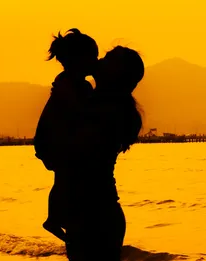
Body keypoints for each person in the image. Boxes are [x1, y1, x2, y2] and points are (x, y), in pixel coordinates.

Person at [59, 46, 145, 261]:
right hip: (91, 210)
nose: (99, 59)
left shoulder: (106, 111)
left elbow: (69, 152)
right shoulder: (93, 102)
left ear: (117, 74)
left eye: (108, 59)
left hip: (94, 214)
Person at [33, 28, 99, 240]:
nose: (95, 61)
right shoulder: (71, 84)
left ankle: (55, 217)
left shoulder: (69, 81)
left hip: (53, 140)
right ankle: (53, 219)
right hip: (56, 141)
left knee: (63, 179)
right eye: (92, 57)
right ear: (77, 59)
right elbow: (80, 110)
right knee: (64, 178)